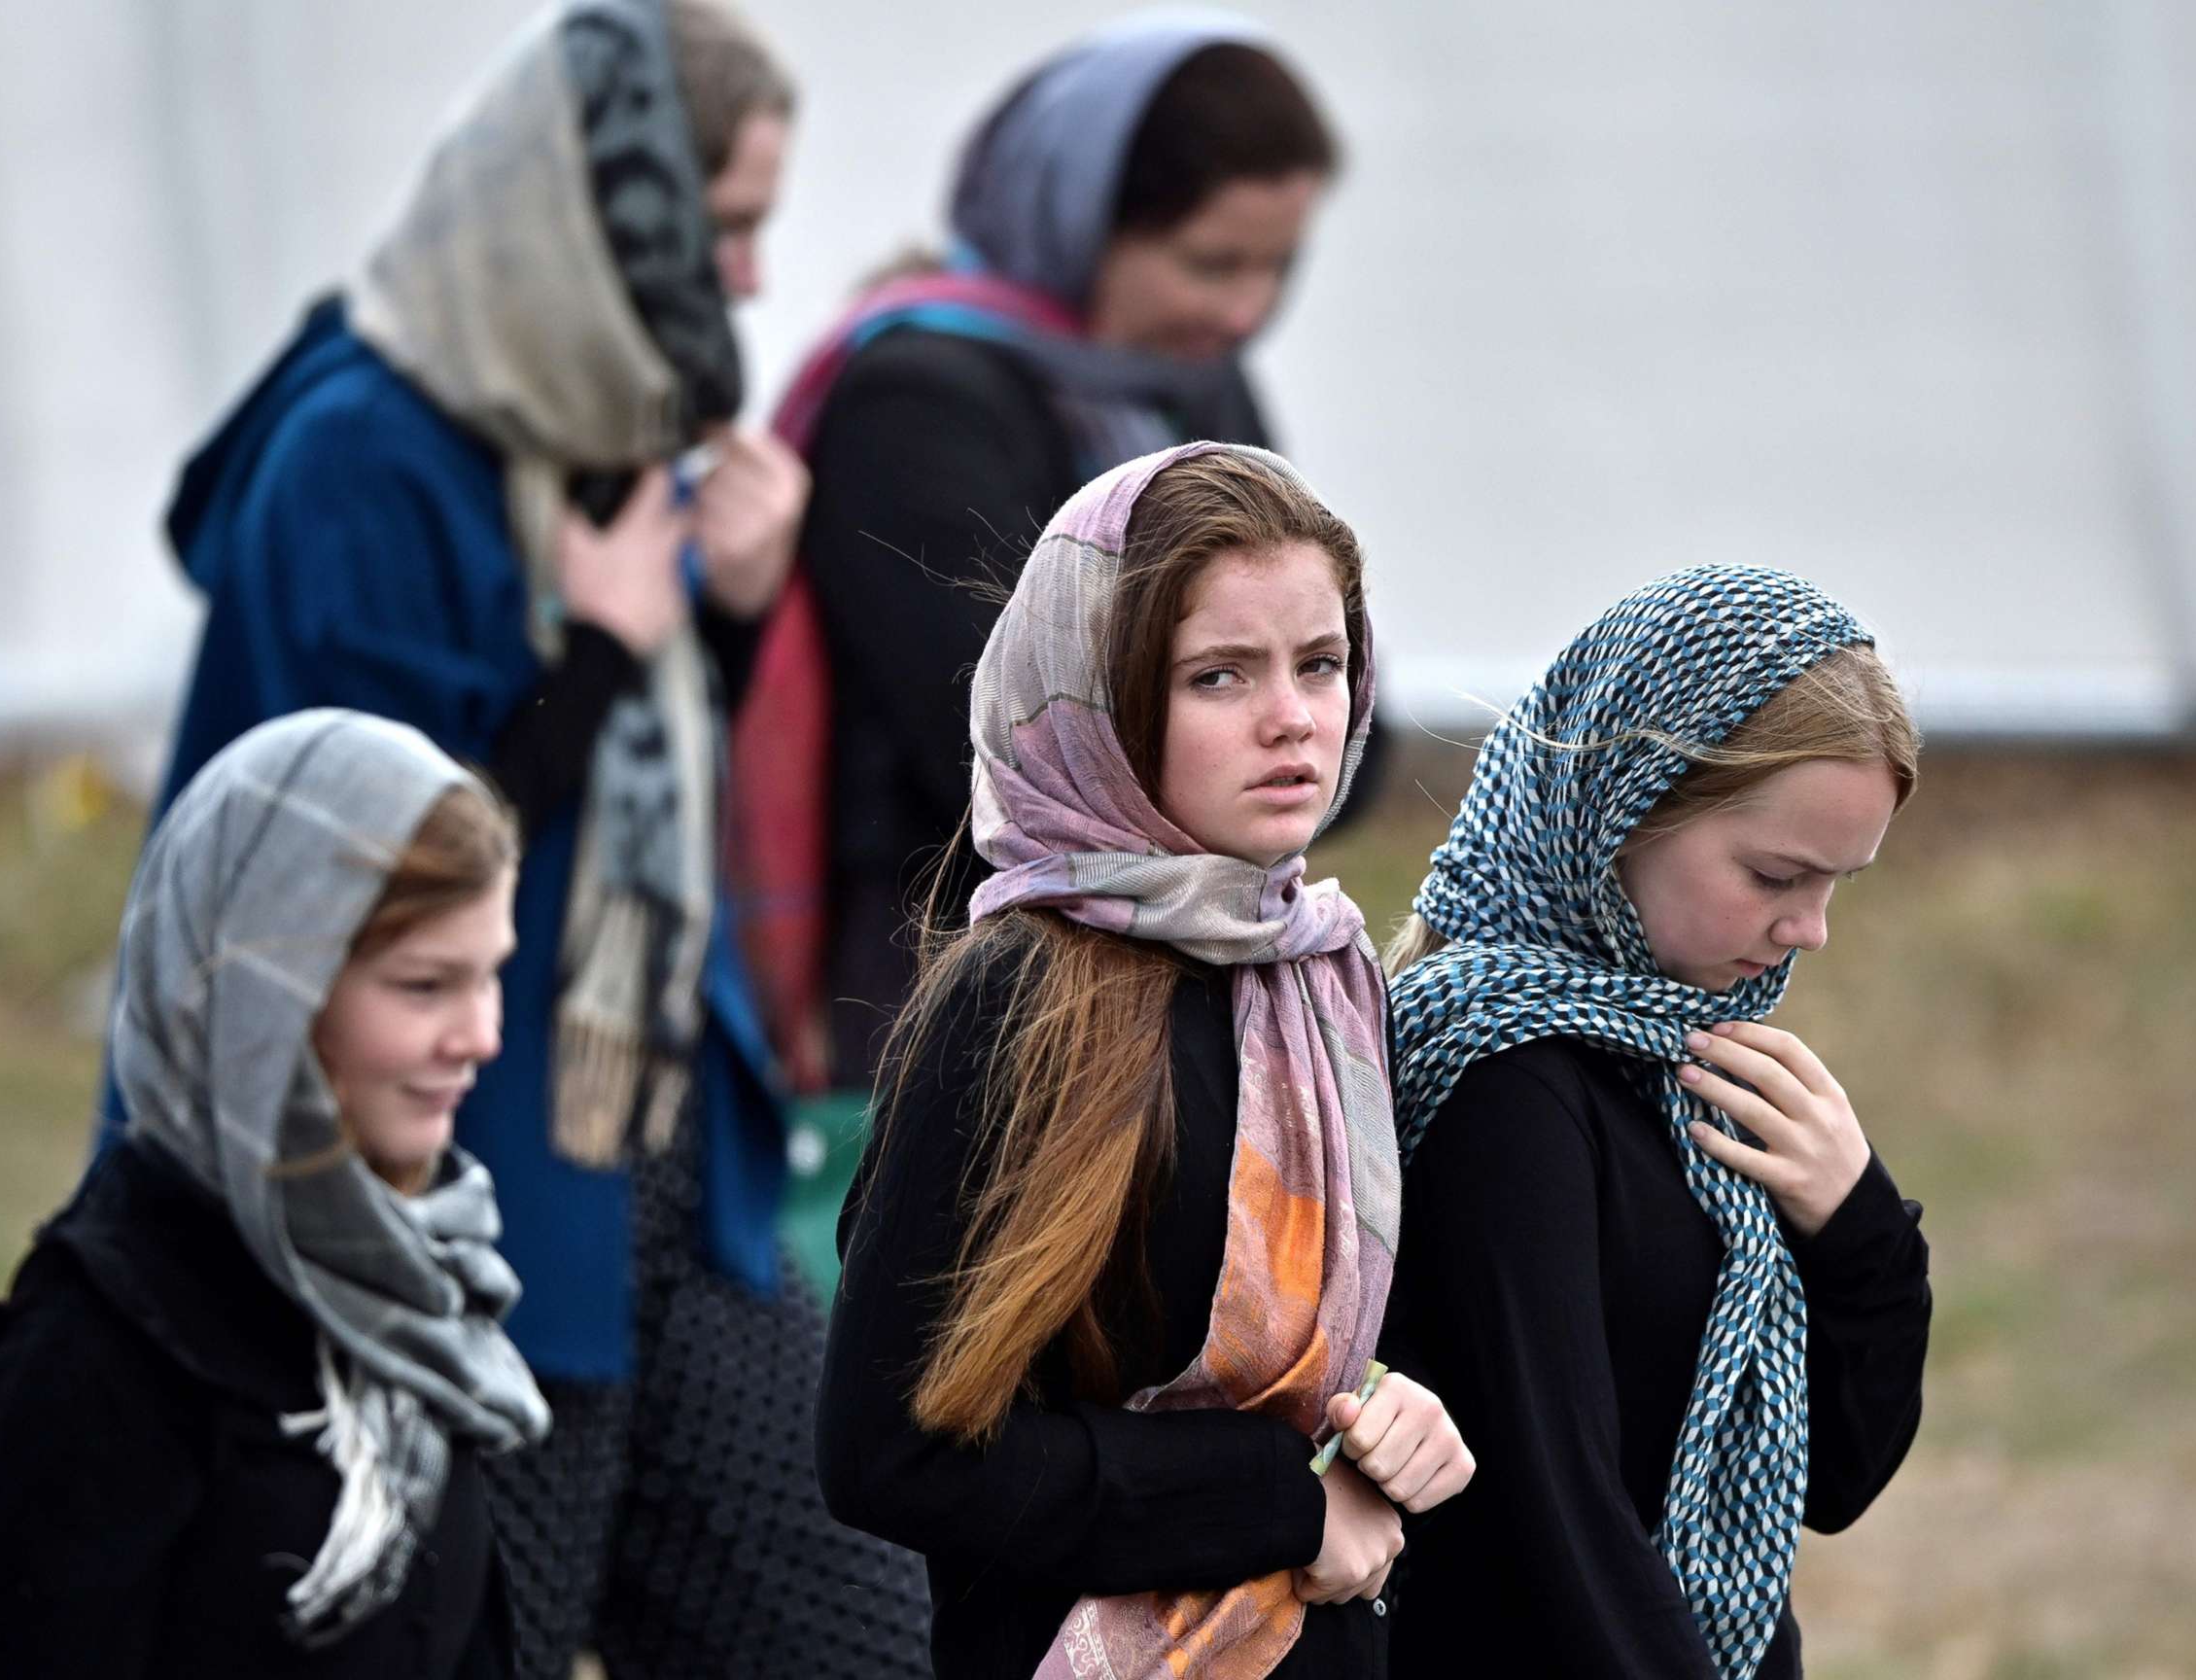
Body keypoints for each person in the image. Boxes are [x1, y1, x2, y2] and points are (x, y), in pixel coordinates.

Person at [113, 3, 928, 1673]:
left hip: (653, 1183)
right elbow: (361, 876)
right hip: (434, 1215)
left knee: (861, 1637)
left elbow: (611, 835)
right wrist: (618, 647)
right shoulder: (361, 452)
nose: (754, 282)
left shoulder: (600, 433)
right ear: (595, 217)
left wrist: (715, 626)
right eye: (723, 229)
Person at [817, 443, 1474, 1679]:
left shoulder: (1323, 980)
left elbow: (1300, 1352)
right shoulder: (1025, 998)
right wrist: (1279, 1505)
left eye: (1321, 666)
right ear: (1101, 701)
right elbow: (891, 1452)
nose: (1293, 719)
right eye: (1219, 675)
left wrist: (1394, 1411)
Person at [728, 10, 1342, 1095]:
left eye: (1275, 268)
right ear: (1081, 219)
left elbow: (1339, 698)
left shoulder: (1183, 377)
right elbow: (1010, 739)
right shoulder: (914, 399)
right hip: (962, 977)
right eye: (1210, 263)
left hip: (1194, 954)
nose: (1244, 310)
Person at [1380, 567, 1935, 1677]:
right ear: (1621, 810)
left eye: (1839, 884)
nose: (1810, 929)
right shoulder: (1506, 1081)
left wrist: (1859, 1228)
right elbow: (1555, 1516)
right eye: (1778, 873)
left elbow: (1829, 1480)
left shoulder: (1680, 1063)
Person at [0, 710, 545, 1677]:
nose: (481, 1036)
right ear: (271, 1003)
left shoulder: (413, 1294)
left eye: (490, 977)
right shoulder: (102, 1348)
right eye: (426, 986)